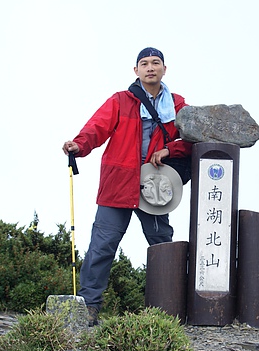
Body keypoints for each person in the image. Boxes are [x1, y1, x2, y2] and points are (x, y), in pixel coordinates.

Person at [62, 47, 191, 326]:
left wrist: (170, 150)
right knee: (102, 246)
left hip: (155, 187)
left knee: (162, 247)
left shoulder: (178, 105)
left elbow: (197, 137)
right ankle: (89, 308)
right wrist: (79, 145)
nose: (150, 68)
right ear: (136, 71)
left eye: (156, 63)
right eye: (144, 63)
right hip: (118, 186)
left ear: (164, 69)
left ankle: (171, 310)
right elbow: (97, 128)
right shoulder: (121, 100)